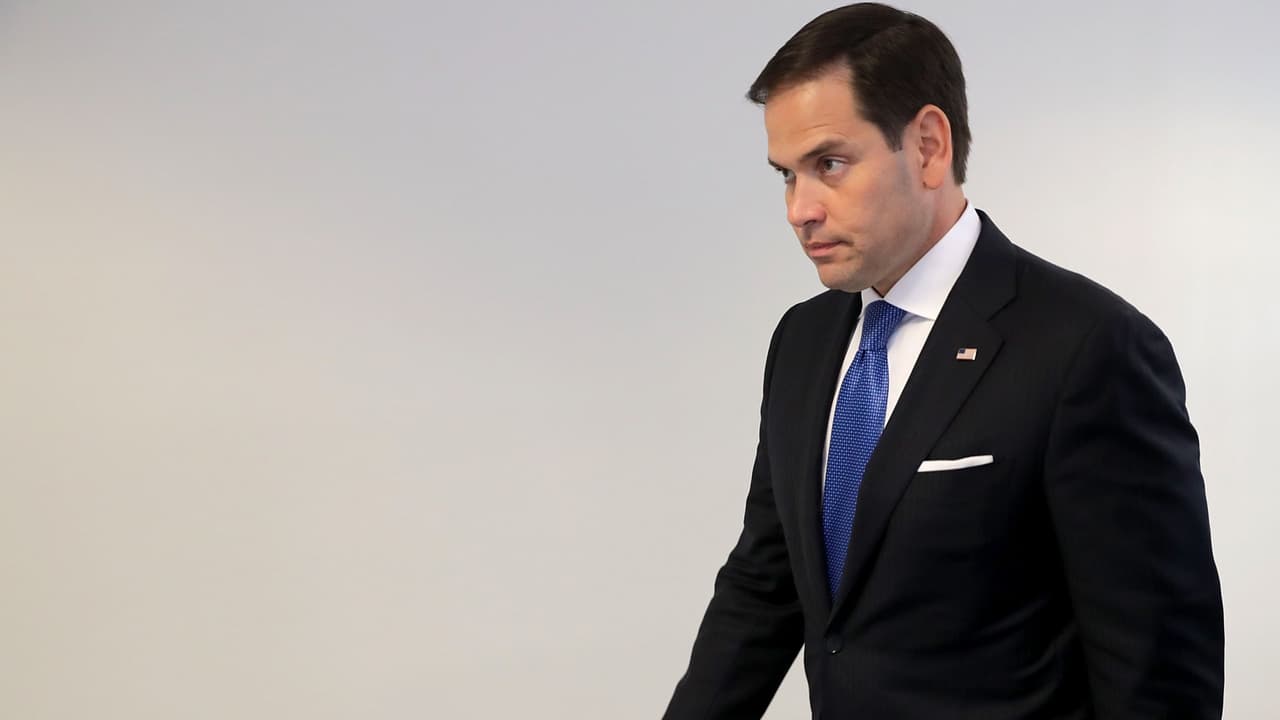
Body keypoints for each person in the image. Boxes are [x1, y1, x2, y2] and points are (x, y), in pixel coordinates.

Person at [661, 4, 1224, 719]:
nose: (799, 209)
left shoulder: (1088, 348)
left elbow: (1159, 673)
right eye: (786, 175)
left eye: (829, 165)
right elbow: (763, 586)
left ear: (928, 145)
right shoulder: (802, 341)